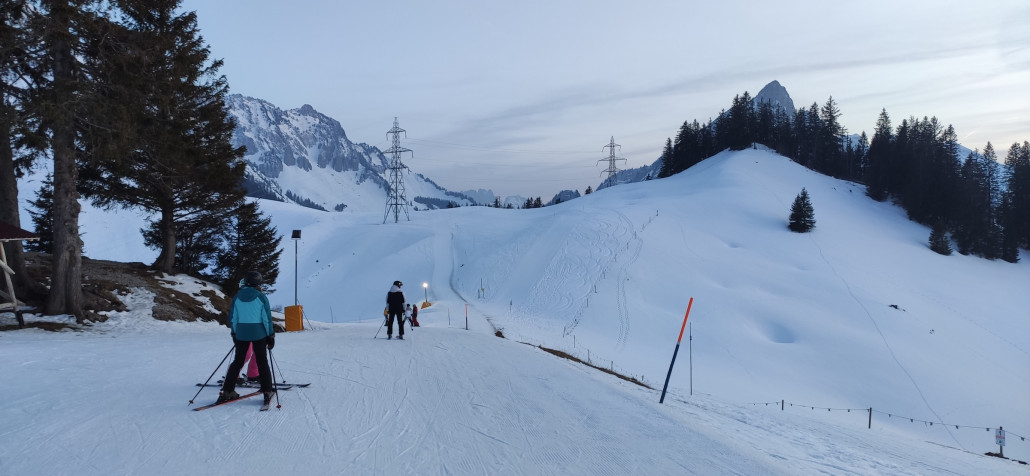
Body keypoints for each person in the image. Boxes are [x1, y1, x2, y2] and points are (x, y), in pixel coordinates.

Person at [219, 271, 276, 405]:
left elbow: (233, 318)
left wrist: (234, 333)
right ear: (258, 283)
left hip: (242, 333)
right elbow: (266, 318)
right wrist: (270, 335)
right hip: (259, 333)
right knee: (262, 361)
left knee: (237, 362)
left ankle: (227, 391)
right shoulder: (261, 297)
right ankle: (267, 391)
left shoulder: (237, 297)